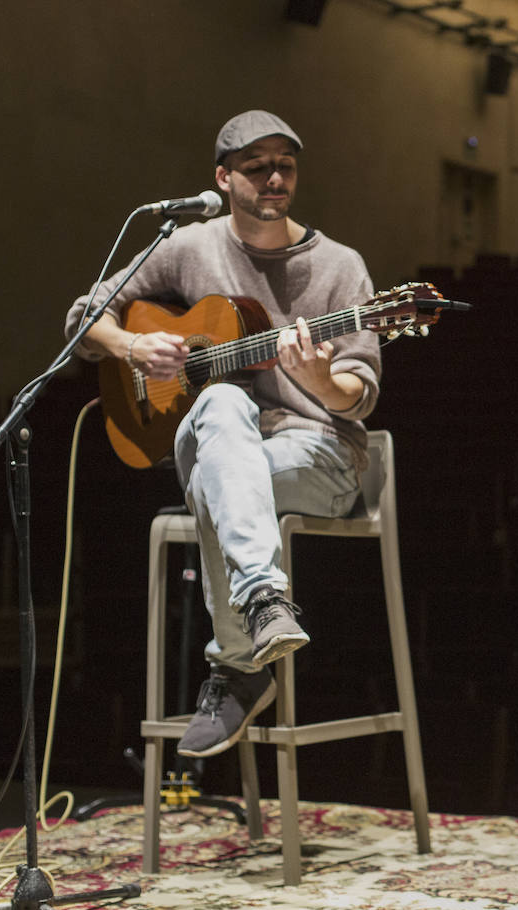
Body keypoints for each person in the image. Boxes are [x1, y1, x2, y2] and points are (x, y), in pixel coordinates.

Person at [64, 110, 382, 757]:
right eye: (257, 165)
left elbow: (360, 395)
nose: (274, 178)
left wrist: (318, 380)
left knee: (218, 468)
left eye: (285, 165)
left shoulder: (342, 267)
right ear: (222, 176)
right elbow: (83, 316)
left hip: (317, 449)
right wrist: (130, 346)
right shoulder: (189, 246)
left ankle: (238, 668)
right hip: (221, 438)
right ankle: (263, 604)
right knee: (219, 406)